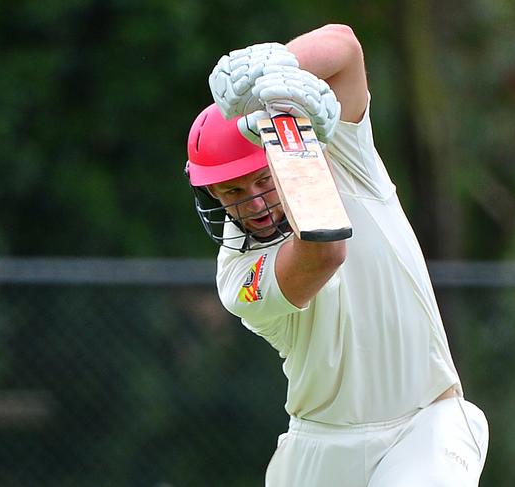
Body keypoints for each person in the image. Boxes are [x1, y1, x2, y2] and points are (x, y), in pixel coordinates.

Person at [185, 24, 489, 487]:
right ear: (212, 193)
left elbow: (344, 48)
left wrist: (273, 70)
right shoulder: (238, 275)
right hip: (319, 448)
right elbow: (325, 252)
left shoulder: (348, 157)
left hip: (424, 425)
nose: (257, 203)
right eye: (233, 191)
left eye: (263, 180)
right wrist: (294, 140)